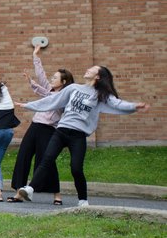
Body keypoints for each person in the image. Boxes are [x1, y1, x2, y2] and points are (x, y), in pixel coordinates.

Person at [16, 65, 150, 206]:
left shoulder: (101, 94)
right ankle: (30, 189)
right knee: (47, 160)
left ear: (97, 76)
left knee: (76, 168)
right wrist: (29, 105)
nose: (88, 69)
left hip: (78, 136)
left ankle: (83, 201)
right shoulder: (74, 88)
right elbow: (52, 100)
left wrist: (134, 106)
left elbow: (118, 104)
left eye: (92, 69)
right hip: (61, 131)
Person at [7, 45, 74, 204]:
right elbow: (41, 75)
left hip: (49, 130)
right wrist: (35, 56)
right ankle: (19, 193)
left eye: (55, 78)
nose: (52, 79)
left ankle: (57, 195)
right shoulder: (49, 91)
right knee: (23, 157)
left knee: (46, 161)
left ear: (63, 82)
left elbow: (57, 104)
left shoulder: (66, 98)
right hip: (35, 127)